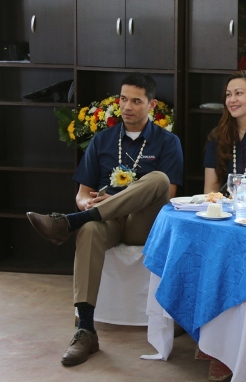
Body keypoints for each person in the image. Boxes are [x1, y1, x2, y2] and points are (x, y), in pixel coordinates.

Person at [26, 73, 184, 366]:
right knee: (89, 230)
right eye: (123, 99)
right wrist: (88, 204)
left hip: (143, 223)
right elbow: (82, 193)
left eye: (136, 101)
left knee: (159, 179)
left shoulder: (168, 142)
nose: (127, 107)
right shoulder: (102, 140)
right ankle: (86, 330)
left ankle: (68, 222)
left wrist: (114, 201)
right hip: (107, 221)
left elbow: (169, 194)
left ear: (151, 105)